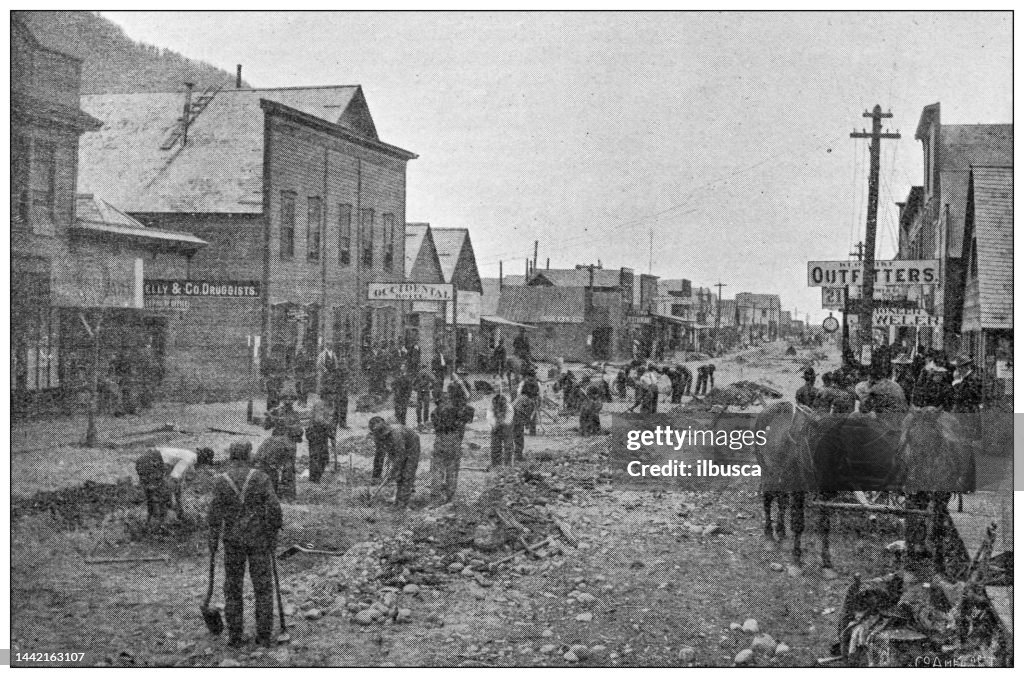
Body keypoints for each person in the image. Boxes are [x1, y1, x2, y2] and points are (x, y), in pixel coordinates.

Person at [207, 441, 282, 648]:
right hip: (259, 541)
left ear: (232, 456)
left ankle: (235, 636)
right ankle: (264, 636)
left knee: (232, 588)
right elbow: (274, 507)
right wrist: (273, 533)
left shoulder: (221, 481)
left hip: (233, 542)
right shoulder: (261, 478)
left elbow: (214, 515)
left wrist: (213, 540)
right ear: (249, 455)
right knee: (263, 588)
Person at [135, 446, 210, 522]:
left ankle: (151, 522)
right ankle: (158, 524)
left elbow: (178, 485)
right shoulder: (189, 459)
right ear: (202, 460)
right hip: (151, 461)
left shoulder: (187, 456)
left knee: (153, 495)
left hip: (146, 459)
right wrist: (173, 503)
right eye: (204, 464)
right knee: (159, 496)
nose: (201, 467)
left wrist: (179, 505)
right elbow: (173, 479)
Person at [256, 389, 303, 499]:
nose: (288, 401)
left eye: (291, 399)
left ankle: (288, 495)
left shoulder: (295, 414)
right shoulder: (276, 411)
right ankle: (272, 492)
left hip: (290, 445)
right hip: (276, 444)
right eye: (286, 398)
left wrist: (288, 426)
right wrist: (271, 418)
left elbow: (299, 432)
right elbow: (266, 427)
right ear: (282, 399)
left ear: (294, 401)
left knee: (289, 469)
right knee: (272, 467)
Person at [368, 417, 421, 509]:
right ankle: (398, 498)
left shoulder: (396, 434)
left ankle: (401, 504)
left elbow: (400, 456)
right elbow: (379, 457)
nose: (381, 438)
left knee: (406, 474)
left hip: (411, 446)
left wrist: (393, 471)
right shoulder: (377, 436)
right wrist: (375, 478)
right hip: (396, 449)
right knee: (398, 475)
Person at [430, 393, 473, 503]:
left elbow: (436, 427)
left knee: (437, 468)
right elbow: (468, 414)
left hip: (440, 439)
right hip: (454, 439)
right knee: (452, 469)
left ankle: (436, 496)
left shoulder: (434, 412)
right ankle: (450, 495)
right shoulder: (456, 410)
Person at [305, 402, 335, 483]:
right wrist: (329, 425)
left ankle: (316, 477)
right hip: (315, 433)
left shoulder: (331, 405)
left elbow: (330, 420)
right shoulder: (320, 405)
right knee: (316, 457)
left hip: (323, 434)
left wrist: (331, 431)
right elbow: (318, 419)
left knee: (324, 458)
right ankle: (314, 478)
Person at [487, 385, 512, 468]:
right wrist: (495, 425)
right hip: (496, 427)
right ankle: (496, 464)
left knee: (508, 446)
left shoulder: (509, 407)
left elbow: (509, 419)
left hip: (506, 427)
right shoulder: (491, 406)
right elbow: (490, 417)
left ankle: (507, 464)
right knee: (495, 446)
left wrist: (502, 423)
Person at [510, 391, 534, 463]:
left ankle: (510, 456)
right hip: (516, 419)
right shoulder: (529, 401)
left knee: (511, 438)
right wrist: (527, 423)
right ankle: (518, 457)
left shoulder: (519, 397)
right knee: (519, 438)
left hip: (509, 418)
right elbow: (528, 414)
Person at [413, 366, 437, 431]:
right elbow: (434, 381)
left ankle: (420, 422)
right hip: (425, 392)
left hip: (421, 392)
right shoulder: (429, 373)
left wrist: (416, 388)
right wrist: (431, 387)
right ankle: (424, 422)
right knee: (425, 408)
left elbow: (414, 383)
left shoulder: (419, 373)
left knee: (419, 407)